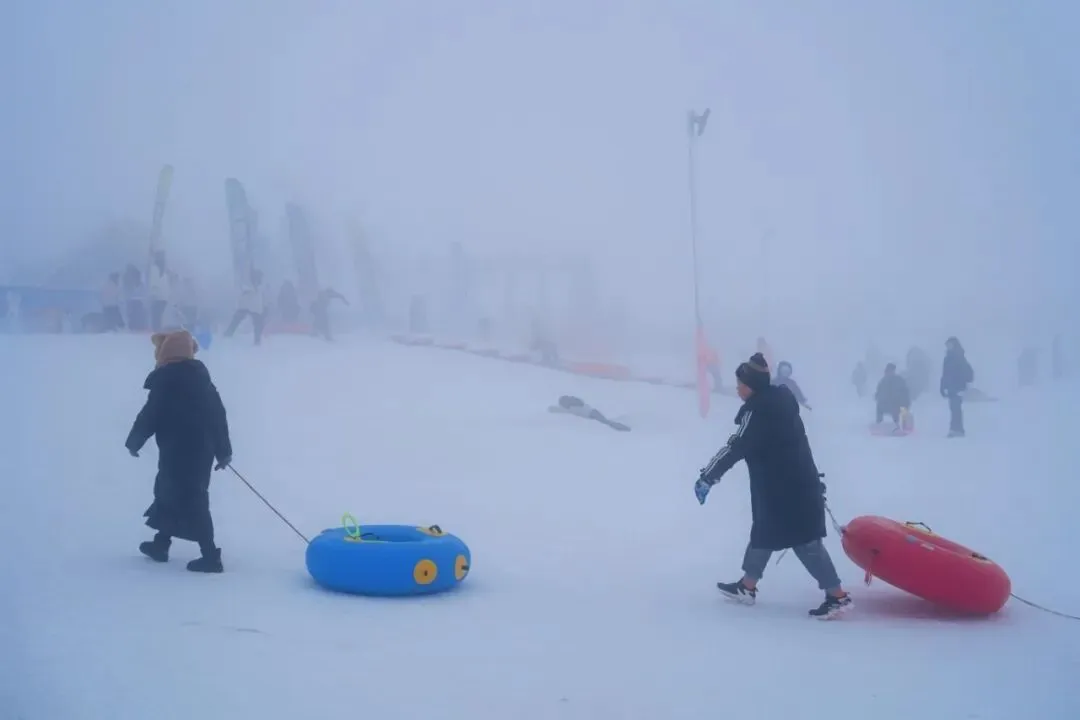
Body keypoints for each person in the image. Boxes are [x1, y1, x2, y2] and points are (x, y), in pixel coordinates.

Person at [693, 353, 852, 619]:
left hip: (788, 489)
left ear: (752, 385)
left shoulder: (758, 413)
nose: (737, 388)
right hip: (788, 485)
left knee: (805, 543)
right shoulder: (781, 403)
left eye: (740, 384)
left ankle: (837, 596)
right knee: (764, 532)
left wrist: (708, 476)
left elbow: (736, 447)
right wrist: (814, 479)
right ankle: (747, 586)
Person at [126, 330, 232, 573]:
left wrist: (134, 441)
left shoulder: (166, 381)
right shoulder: (203, 381)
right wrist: (223, 451)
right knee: (173, 494)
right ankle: (161, 545)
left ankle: (210, 556)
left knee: (187, 498)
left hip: (176, 451)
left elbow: (150, 415)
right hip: (201, 452)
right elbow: (218, 417)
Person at [940, 336, 974, 438]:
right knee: (953, 407)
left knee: (956, 408)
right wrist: (942, 387)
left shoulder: (959, 357)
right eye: (947, 345)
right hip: (951, 387)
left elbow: (966, 372)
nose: (948, 347)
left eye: (949, 345)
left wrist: (962, 383)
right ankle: (955, 429)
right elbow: (944, 374)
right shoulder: (947, 358)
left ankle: (957, 429)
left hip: (958, 387)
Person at [224, 269, 267, 345]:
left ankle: (257, 340)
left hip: (253, 306)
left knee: (256, 323)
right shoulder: (249, 285)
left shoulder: (257, 286)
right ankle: (229, 333)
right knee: (238, 319)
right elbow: (244, 290)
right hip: (248, 305)